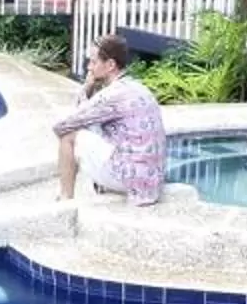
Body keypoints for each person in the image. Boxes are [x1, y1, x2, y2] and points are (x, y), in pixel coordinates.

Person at [54, 35, 168, 205]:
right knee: (96, 128)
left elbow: (63, 125)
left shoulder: (112, 95)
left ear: (110, 65)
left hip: (133, 182)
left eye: (93, 62)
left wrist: (87, 86)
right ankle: (101, 188)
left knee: (69, 135)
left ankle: (65, 200)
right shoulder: (136, 86)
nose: (89, 67)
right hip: (151, 180)